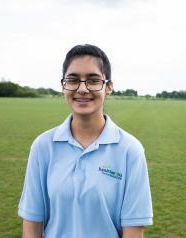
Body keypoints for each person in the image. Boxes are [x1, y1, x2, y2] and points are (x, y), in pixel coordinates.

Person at [18, 44, 153, 238]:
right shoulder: (43, 146)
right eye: (73, 80)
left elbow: (133, 231)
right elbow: (32, 224)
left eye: (93, 80)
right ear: (63, 85)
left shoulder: (130, 150)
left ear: (109, 87)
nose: (82, 89)